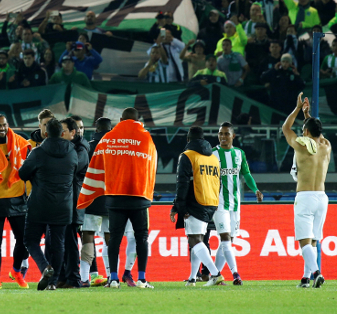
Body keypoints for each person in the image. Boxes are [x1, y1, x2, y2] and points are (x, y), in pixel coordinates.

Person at [78, 107, 157, 289]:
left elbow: (95, 167)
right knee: (141, 238)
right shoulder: (146, 138)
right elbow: (151, 167)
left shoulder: (108, 138)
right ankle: (142, 279)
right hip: (138, 197)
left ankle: (113, 279)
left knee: (114, 239)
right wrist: (147, 193)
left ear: (121, 119)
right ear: (138, 121)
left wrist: (91, 192)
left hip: (115, 197)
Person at [18, 116, 78, 291]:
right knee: (58, 244)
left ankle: (45, 267)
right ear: (61, 132)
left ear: (45, 133)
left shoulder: (38, 153)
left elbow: (22, 174)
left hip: (40, 203)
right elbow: (75, 172)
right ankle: (53, 282)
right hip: (64, 204)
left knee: (30, 240)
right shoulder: (72, 152)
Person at [282, 93, 331, 288]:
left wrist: (296, 109)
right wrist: (307, 115)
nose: (301, 133)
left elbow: (286, 128)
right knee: (313, 241)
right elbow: (315, 132)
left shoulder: (302, 147)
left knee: (304, 242)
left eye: (303, 131)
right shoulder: (327, 146)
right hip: (322, 198)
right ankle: (305, 278)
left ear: (307, 133)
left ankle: (317, 273)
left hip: (305, 197)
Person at [0, 112, 31, 289]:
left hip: (17, 197)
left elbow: (30, 160)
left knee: (25, 240)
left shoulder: (20, 143)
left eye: (4, 125)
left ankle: (16, 271)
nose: (2, 128)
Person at [170, 126, 224, 287]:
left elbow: (182, 183)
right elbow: (218, 183)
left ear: (188, 139)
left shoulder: (187, 156)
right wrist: (214, 202)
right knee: (196, 239)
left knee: (194, 239)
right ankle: (192, 278)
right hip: (211, 203)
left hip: (195, 202)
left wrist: (179, 206)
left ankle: (215, 274)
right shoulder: (214, 158)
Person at [211, 123, 264, 285]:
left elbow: (246, 174)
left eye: (226, 134)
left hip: (235, 205)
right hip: (219, 203)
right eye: (220, 134)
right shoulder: (213, 154)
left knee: (228, 242)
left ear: (233, 136)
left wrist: (255, 189)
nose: (222, 137)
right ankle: (236, 274)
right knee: (226, 239)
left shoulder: (239, 154)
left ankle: (215, 276)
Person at [79, 117, 113, 286]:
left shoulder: (88, 147)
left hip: (91, 198)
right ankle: (111, 276)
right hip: (111, 200)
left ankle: (84, 278)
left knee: (88, 237)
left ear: (96, 129)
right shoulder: (117, 148)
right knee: (109, 238)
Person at [60, 117, 90, 289]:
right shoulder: (72, 147)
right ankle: (64, 277)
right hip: (65, 200)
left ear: (73, 132)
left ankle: (73, 279)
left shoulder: (81, 149)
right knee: (63, 241)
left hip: (73, 201)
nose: (61, 133)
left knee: (70, 242)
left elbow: (73, 168)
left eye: (64, 130)